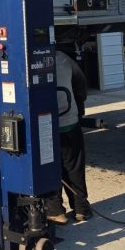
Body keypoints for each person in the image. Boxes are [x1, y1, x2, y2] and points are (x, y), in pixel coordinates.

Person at [45, 50, 91, 225]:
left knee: (50, 168)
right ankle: (81, 209)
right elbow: (81, 83)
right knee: (74, 168)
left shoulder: (30, 59)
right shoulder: (63, 58)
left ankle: (56, 211)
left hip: (46, 128)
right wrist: (79, 106)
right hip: (70, 122)